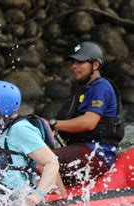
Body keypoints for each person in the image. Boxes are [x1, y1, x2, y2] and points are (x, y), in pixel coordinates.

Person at [49, 41, 125, 186]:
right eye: (73, 62)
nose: (74, 67)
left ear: (95, 65)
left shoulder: (101, 87)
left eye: (80, 62)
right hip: (83, 151)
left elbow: (89, 123)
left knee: (43, 159)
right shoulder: (85, 89)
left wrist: (53, 124)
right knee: (37, 154)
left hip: (96, 155)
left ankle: (60, 199)